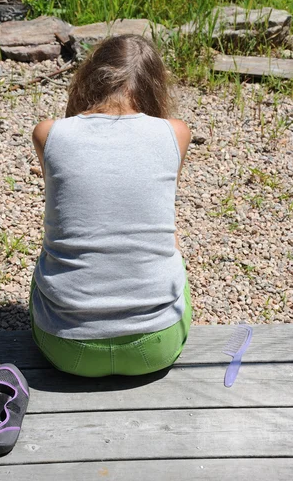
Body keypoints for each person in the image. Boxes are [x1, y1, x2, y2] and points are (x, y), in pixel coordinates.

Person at [29, 33, 192, 377]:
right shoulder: (175, 133)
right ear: (154, 87)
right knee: (171, 250)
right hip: (155, 346)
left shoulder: (48, 133)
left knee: (49, 255)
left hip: (66, 348)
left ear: (88, 80)